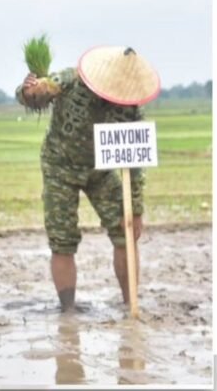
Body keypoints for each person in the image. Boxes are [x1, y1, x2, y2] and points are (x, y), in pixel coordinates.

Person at [16, 45, 160, 312]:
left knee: (125, 231)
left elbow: (135, 163)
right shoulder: (70, 80)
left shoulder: (129, 110)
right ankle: (68, 309)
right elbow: (40, 92)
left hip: (100, 173)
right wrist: (30, 91)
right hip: (60, 166)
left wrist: (136, 210)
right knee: (62, 239)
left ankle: (131, 304)